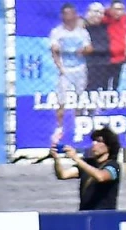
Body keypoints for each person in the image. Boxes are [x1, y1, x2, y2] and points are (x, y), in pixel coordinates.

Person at [51, 125, 122, 211]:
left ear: (109, 146)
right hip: (85, 214)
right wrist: (56, 159)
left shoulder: (114, 166)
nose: (94, 144)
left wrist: (76, 158)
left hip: (104, 216)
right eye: (94, 141)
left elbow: (101, 177)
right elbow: (63, 175)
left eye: (99, 141)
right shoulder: (88, 163)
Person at [49, 4, 91, 139]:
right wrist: (60, 67)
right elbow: (54, 50)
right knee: (62, 100)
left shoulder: (82, 32)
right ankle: (60, 127)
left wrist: (83, 50)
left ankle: (77, 125)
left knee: (80, 97)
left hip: (80, 68)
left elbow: (89, 48)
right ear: (62, 16)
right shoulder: (57, 32)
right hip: (65, 69)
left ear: (75, 15)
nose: (69, 17)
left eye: (71, 13)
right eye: (66, 14)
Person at [84, 3, 110, 92]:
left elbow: (105, 46)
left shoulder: (105, 27)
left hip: (103, 64)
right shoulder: (81, 27)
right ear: (88, 12)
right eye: (96, 12)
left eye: (101, 13)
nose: (98, 15)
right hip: (86, 65)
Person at [104, 1, 126, 91]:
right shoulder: (106, 20)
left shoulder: (125, 19)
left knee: (116, 80)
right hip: (107, 57)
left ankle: (113, 95)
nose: (118, 12)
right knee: (105, 81)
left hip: (120, 58)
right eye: (116, 9)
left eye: (121, 9)